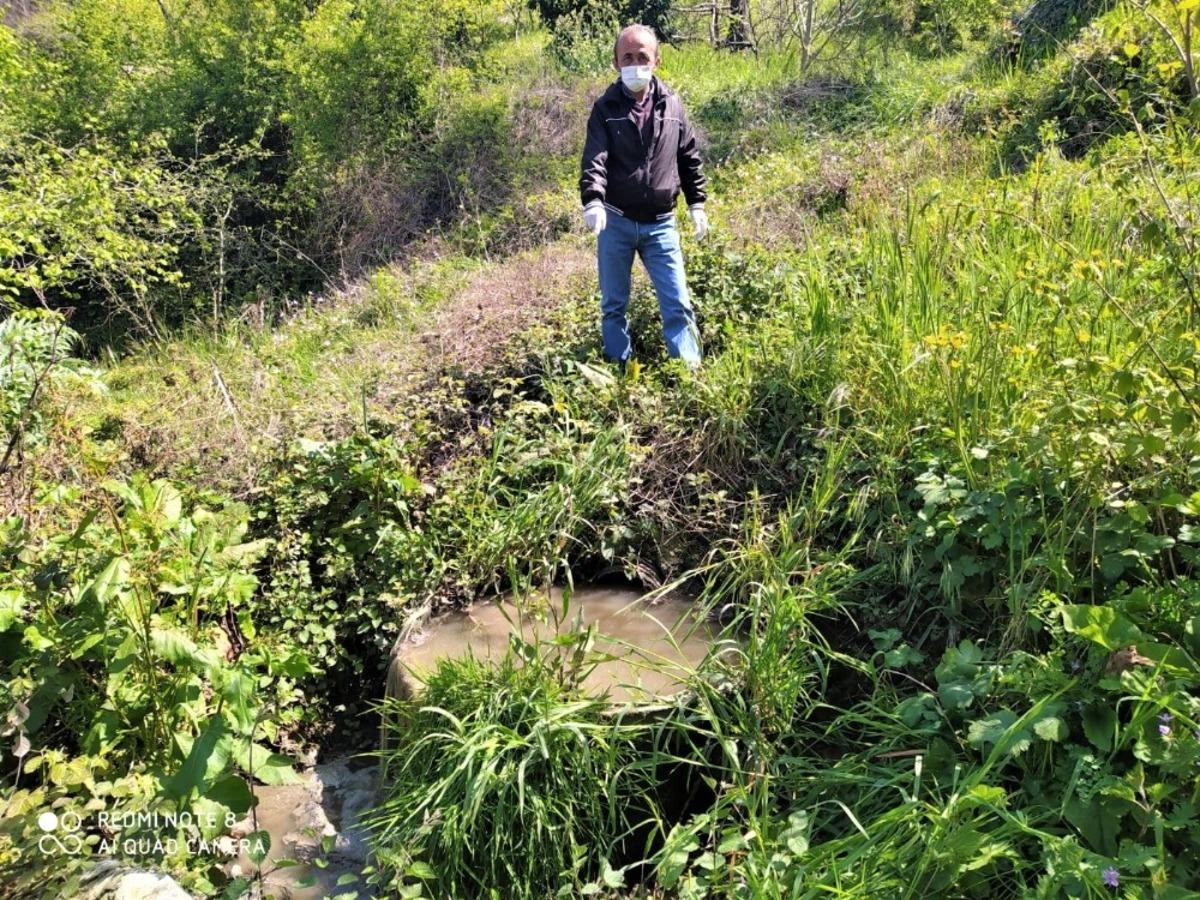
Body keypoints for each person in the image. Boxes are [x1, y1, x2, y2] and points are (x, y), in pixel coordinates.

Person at [579, 23, 709, 371]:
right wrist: (593, 199)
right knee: (614, 304)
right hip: (616, 221)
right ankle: (619, 371)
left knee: (677, 303)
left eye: (642, 57)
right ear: (615, 63)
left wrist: (696, 203)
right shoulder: (605, 108)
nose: (635, 63)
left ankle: (688, 373)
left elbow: (688, 156)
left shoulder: (673, 105)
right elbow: (595, 158)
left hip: (661, 225)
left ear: (657, 60)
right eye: (627, 57)